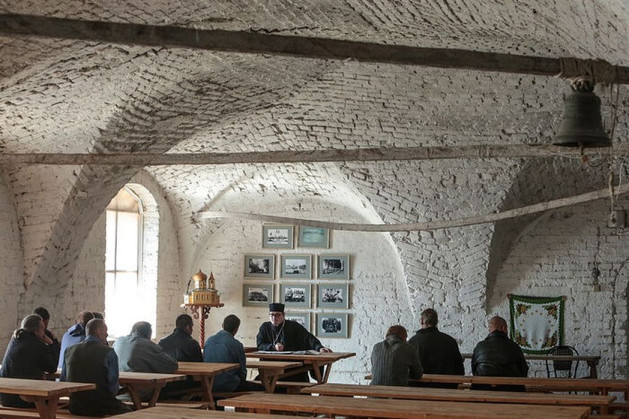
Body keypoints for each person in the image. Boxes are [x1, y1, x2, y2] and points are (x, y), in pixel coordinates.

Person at [60, 318, 132, 416]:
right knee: (132, 413)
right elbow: (113, 389)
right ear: (98, 332)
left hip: (75, 407)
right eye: (105, 331)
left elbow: (63, 381)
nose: (107, 334)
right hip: (101, 407)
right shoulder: (109, 352)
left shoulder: (69, 350)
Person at [257, 302, 331, 382]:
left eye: (277, 315)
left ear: (283, 315)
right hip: (272, 366)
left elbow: (308, 338)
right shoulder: (264, 327)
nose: (274, 318)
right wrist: (273, 347)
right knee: (258, 382)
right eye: (272, 315)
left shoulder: (293, 326)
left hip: (292, 367)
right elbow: (260, 344)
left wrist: (319, 348)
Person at [0, 314, 60, 408]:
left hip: (5, 398)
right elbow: (52, 368)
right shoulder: (37, 345)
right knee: (53, 402)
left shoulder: (15, 339)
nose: (44, 333)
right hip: (24, 399)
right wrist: (52, 344)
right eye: (43, 329)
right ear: (36, 331)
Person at [113, 321, 178, 401]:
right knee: (168, 388)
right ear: (149, 334)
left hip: (118, 392)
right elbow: (172, 365)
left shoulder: (118, 341)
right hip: (139, 393)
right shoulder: (147, 345)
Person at [204, 315, 264, 392]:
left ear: (222, 325)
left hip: (209, 384)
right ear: (236, 330)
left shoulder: (209, 341)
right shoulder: (236, 345)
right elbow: (242, 371)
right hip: (229, 385)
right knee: (262, 389)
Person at [407, 309, 464, 388]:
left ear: (422, 321)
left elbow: (407, 369)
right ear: (436, 322)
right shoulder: (450, 341)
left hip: (420, 387)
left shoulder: (413, 342)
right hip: (446, 387)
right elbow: (459, 369)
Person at [471, 316, 529, 391]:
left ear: (490, 329)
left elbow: (474, 368)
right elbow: (523, 370)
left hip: (482, 389)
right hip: (510, 391)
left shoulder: (480, 346)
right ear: (503, 328)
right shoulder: (514, 346)